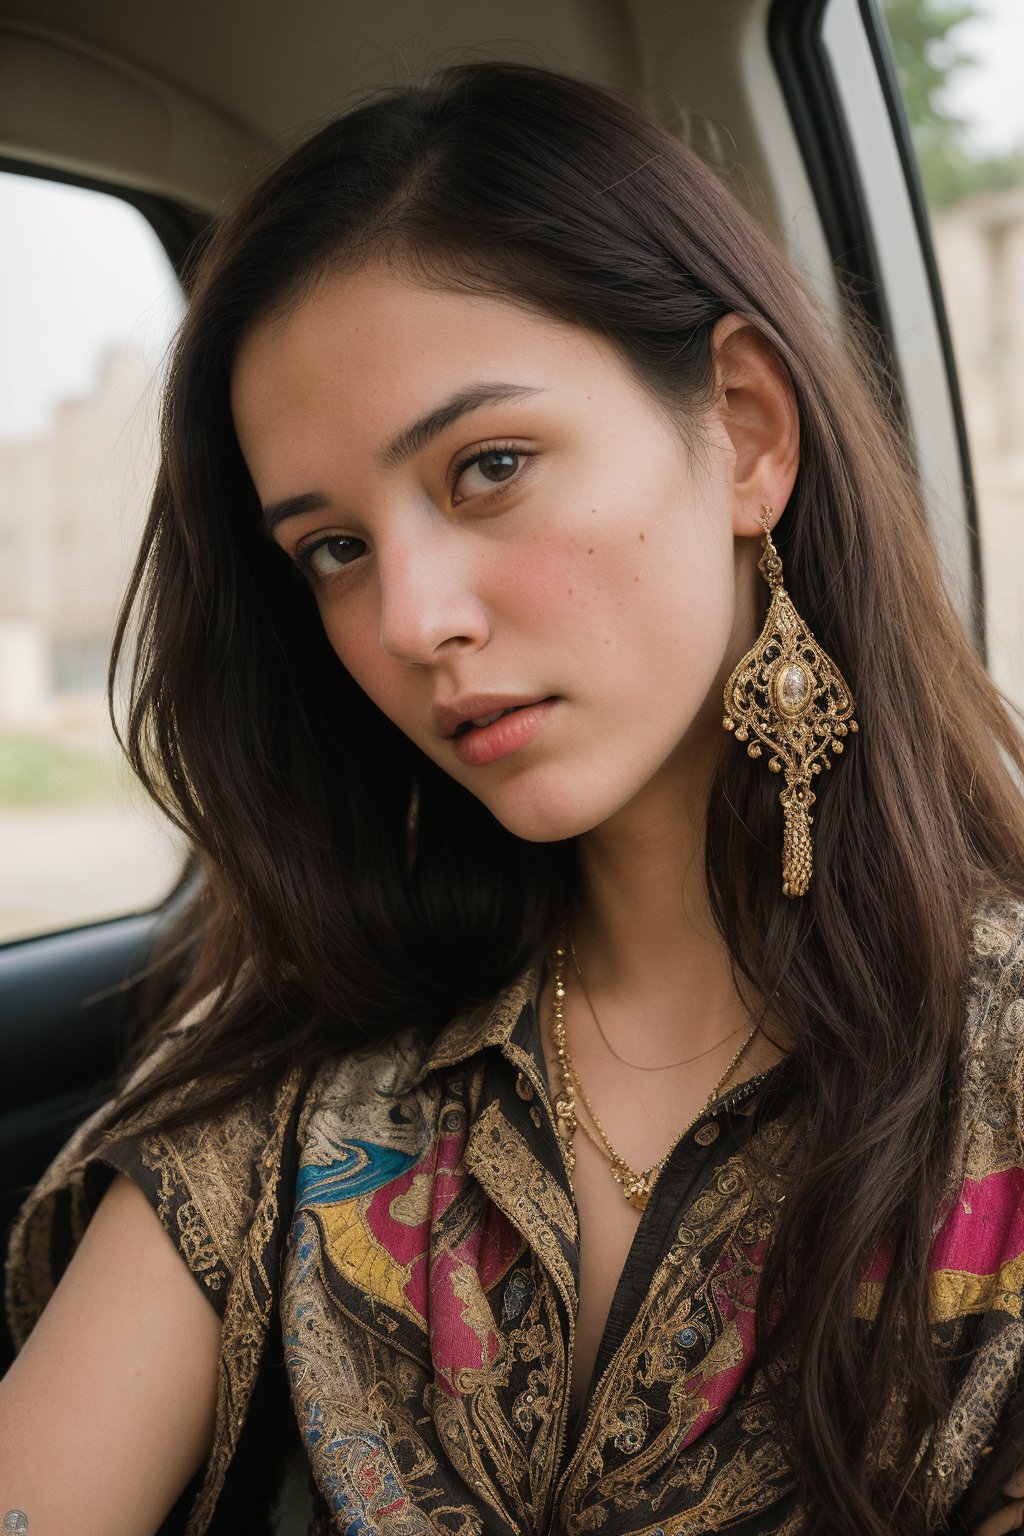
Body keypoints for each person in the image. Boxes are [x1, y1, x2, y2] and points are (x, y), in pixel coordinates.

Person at [3, 59, 1024, 1536]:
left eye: (488, 467)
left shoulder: (994, 1074)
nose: (410, 619)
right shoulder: (294, 1085)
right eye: (331, 551)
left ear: (743, 429)